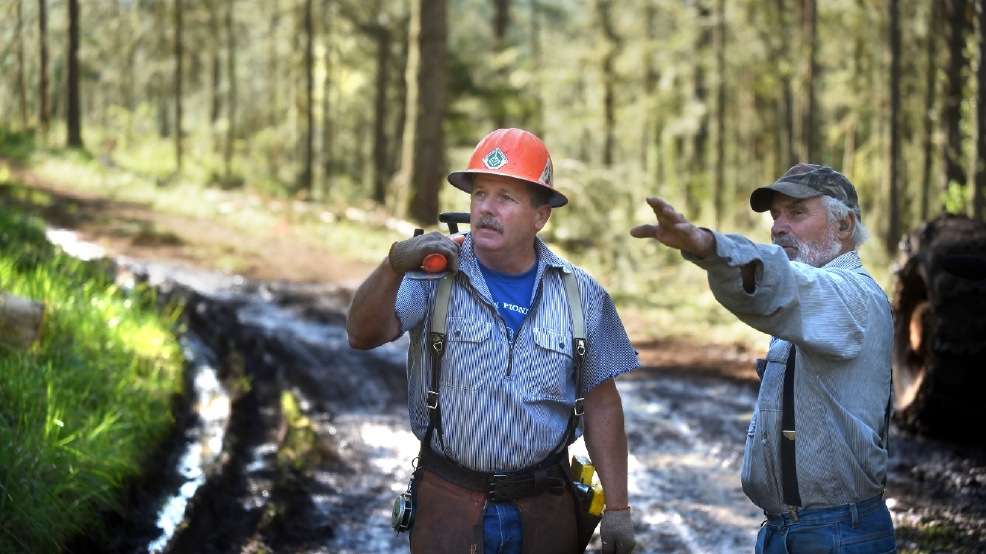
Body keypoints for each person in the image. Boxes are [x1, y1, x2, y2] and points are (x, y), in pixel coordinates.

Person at [347, 128, 640, 554]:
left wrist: (618, 507)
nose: (486, 208)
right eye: (480, 193)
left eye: (505, 197)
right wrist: (393, 265)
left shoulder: (582, 294)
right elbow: (361, 334)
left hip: (546, 511)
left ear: (541, 216)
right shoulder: (431, 275)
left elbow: (601, 403)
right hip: (450, 506)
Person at [630, 164, 897, 554]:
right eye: (776, 216)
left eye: (797, 212)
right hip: (787, 532)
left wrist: (708, 246)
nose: (778, 227)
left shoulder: (853, 297)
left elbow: (781, 288)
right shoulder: (810, 297)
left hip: (839, 534)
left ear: (844, 226)